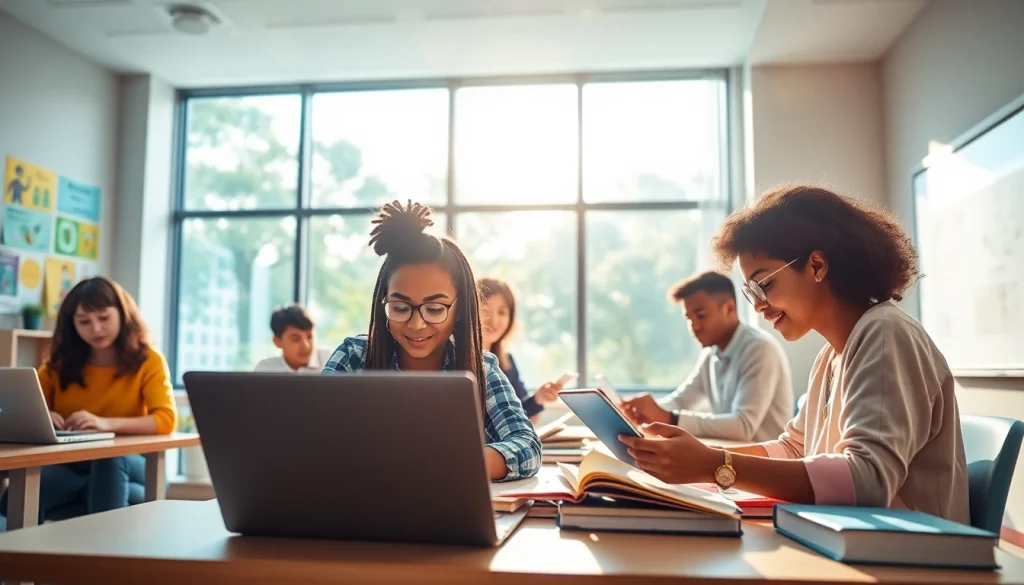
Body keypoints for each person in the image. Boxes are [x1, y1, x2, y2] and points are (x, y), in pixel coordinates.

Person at [621, 185, 969, 523]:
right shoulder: (831, 356)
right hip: (860, 542)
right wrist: (699, 460)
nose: (758, 306)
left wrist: (714, 465)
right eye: (750, 291)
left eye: (764, 284)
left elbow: (868, 481)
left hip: (913, 553)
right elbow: (794, 449)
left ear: (817, 266)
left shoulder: (885, 333)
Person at [322, 200, 541, 482]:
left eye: (435, 309)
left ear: (460, 308)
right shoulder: (354, 356)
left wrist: (447, 463)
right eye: (400, 308)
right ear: (383, 303)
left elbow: (528, 447)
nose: (416, 324)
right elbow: (309, 434)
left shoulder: (482, 368)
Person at [0, 277, 177, 524]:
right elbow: (28, 410)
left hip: (135, 462)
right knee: (13, 499)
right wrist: (44, 417)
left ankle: (104, 543)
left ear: (122, 314)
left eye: (104, 318)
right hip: (73, 463)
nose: (96, 329)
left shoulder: (148, 360)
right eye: (84, 321)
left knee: (109, 458)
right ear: (72, 324)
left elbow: (165, 420)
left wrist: (105, 424)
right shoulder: (58, 366)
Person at [619, 272, 793, 442]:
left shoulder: (759, 349)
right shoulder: (710, 354)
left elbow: (743, 426)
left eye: (701, 316)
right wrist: (642, 411)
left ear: (729, 309)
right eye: (688, 318)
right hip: (734, 454)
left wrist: (670, 418)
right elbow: (681, 401)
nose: (693, 326)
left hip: (765, 459)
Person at [479, 277, 570, 423]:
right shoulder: (456, 361)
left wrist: (538, 398)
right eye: (485, 311)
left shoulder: (507, 362)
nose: (494, 321)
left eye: (502, 312)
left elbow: (522, 414)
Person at [253, 304, 332, 373]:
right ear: (277, 341)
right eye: (295, 339)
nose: (306, 346)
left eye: (309, 337)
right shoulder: (265, 368)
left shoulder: (330, 360)